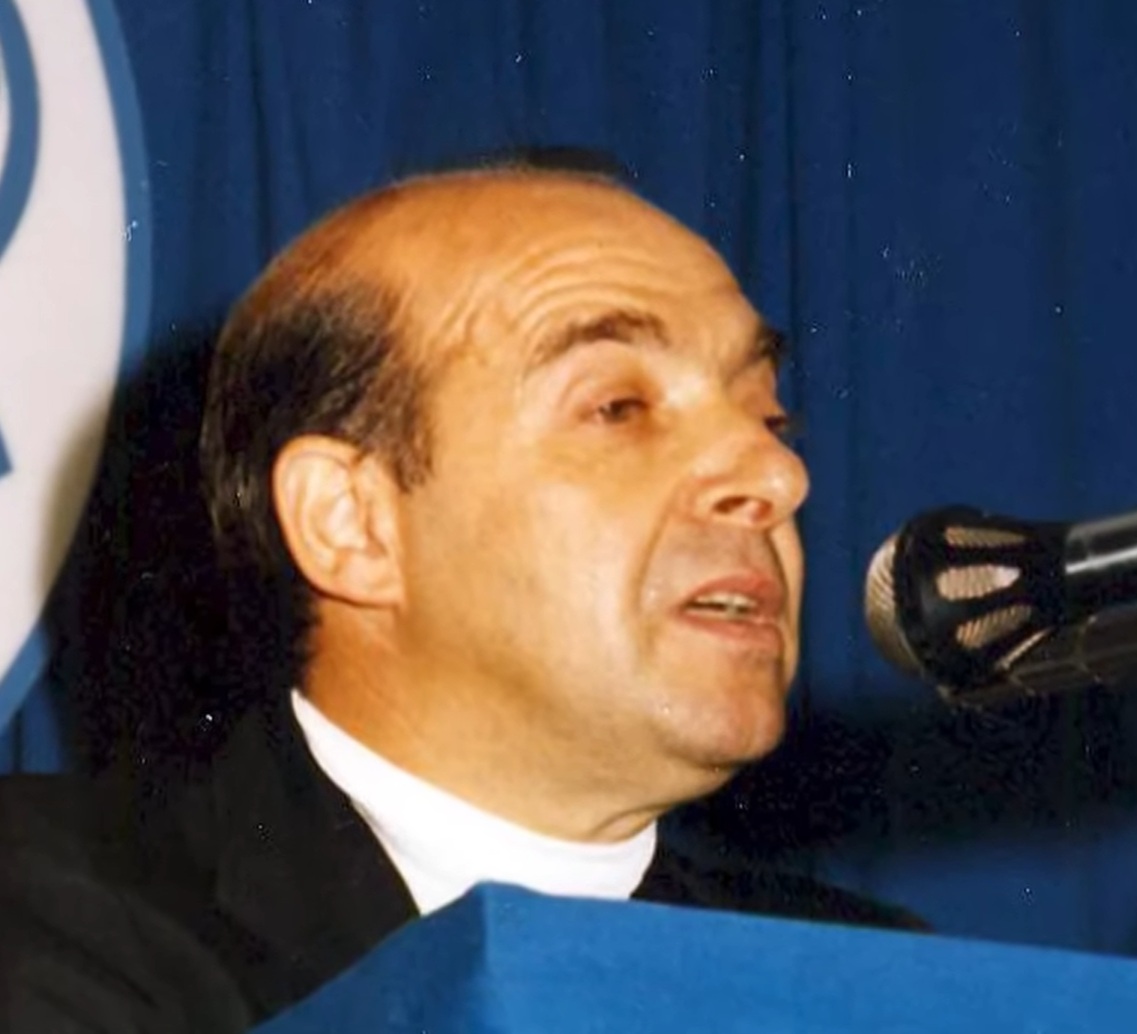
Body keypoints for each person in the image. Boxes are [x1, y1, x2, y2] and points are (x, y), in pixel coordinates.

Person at [0, 162, 919, 1032]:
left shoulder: (869, 983)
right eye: (618, 408)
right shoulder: (48, 919)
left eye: (768, 417)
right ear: (351, 525)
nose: (775, 475)